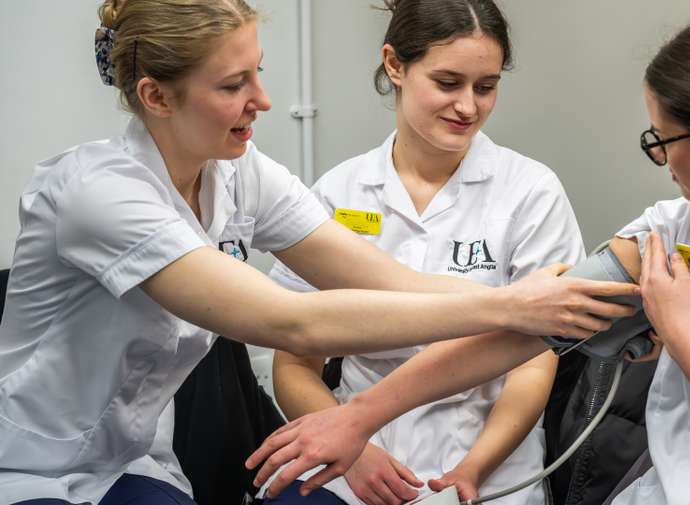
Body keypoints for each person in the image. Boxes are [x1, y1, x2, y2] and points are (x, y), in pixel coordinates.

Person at [0, 1, 639, 504]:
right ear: (157, 96)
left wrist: (530, 304)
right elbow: (293, 324)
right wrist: (514, 306)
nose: (263, 100)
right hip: (32, 464)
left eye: (258, 73)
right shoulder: (96, 194)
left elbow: (386, 279)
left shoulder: (239, 172)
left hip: (131, 459)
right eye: (234, 84)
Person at [247, 14, 690, 505]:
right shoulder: (682, 224)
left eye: (662, 140)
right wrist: (357, 418)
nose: (661, 160)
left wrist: (680, 334)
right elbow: (527, 327)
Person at [262, 2, 583, 505]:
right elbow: (295, 360)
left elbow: (533, 363)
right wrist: (354, 449)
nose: (468, 107)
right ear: (395, 64)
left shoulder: (530, 192)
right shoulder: (340, 192)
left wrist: (471, 470)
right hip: (351, 462)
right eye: (448, 83)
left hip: (483, 465)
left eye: (486, 87)